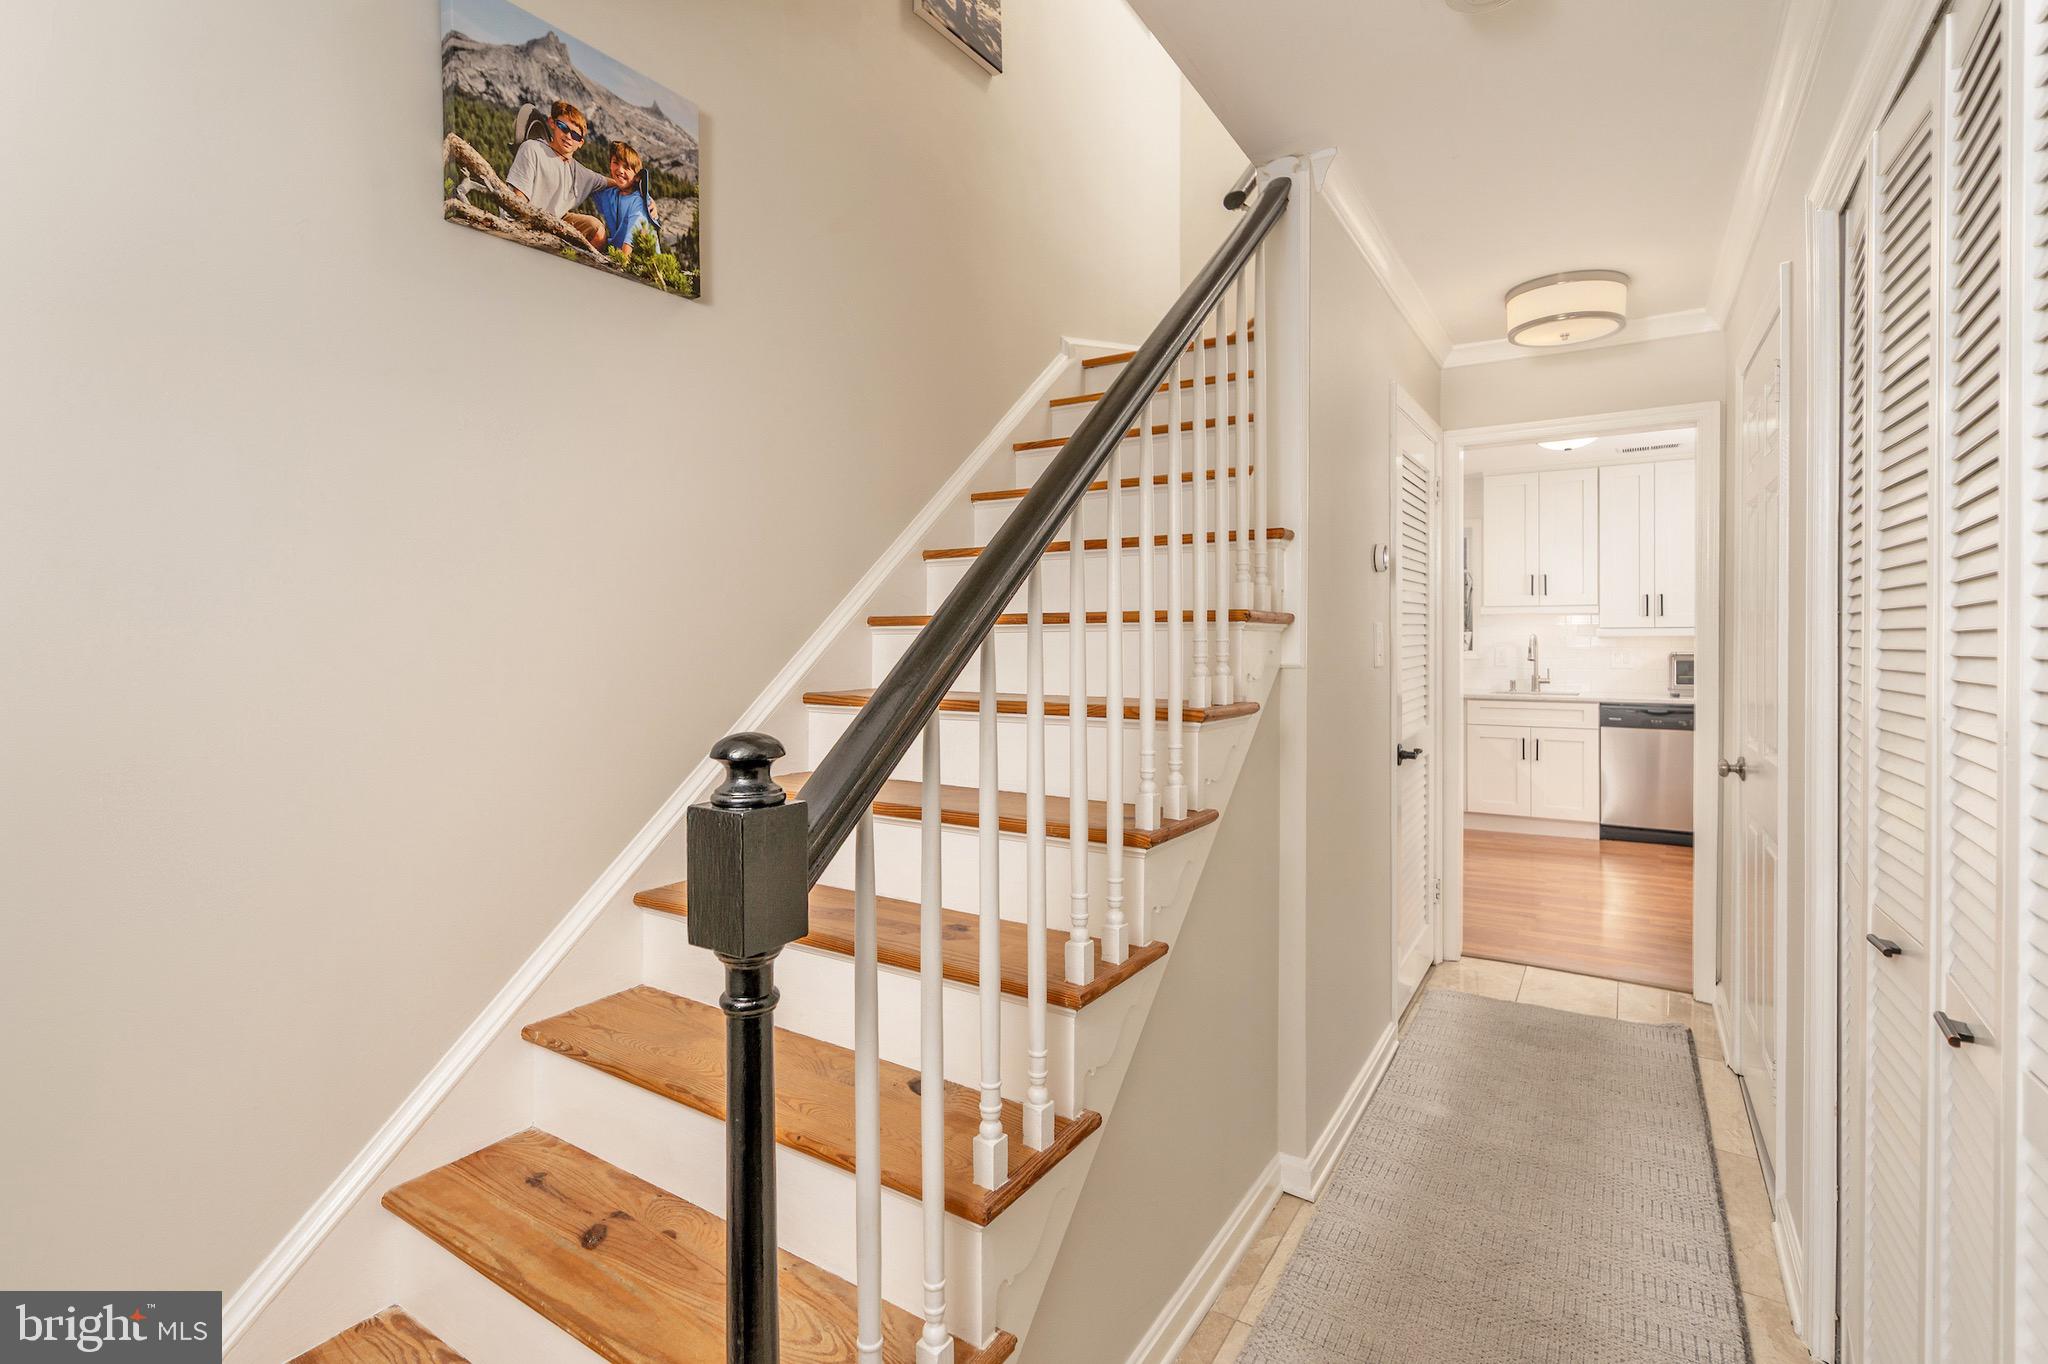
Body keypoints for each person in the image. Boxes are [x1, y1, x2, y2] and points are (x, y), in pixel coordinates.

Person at [504, 100, 608, 228]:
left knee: (595, 226)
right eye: (564, 128)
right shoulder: (532, 149)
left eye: (575, 135)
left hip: (554, 224)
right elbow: (518, 199)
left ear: (580, 143)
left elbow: (608, 181)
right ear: (552, 123)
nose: (569, 136)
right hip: (522, 222)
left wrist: (636, 183)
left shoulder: (581, 173)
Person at [574, 143, 658, 258]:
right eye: (616, 163)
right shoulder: (611, 194)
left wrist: (621, 264)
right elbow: (589, 184)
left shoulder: (639, 202)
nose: (620, 170)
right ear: (610, 164)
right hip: (618, 251)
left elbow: (631, 240)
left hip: (644, 259)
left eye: (627, 167)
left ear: (637, 177)